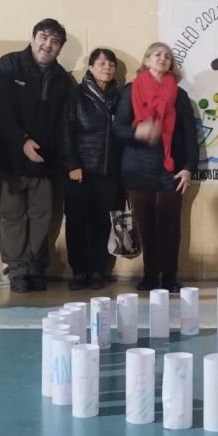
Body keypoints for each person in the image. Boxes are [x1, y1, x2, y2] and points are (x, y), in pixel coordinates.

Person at [0, 19, 74, 293]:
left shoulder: (63, 79)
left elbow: (65, 124)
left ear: (60, 48)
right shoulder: (8, 66)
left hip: (45, 165)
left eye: (55, 41)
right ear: (33, 37)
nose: (48, 44)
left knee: (42, 216)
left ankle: (36, 267)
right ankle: (17, 270)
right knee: (11, 215)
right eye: (44, 37)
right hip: (9, 162)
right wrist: (22, 141)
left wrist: (64, 161)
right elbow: (0, 112)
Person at [113, 42, 197, 294]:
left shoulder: (179, 95)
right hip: (138, 168)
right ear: (147, 60)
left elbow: (191, 135)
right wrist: (139, 131)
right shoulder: (130, 90)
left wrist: (189, 167)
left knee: (170, 225)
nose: (163, 58)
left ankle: (170, 276)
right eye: (157, 54)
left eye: (167, 56)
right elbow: (118, 129)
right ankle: (150, 275)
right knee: (145, 225)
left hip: (170, 169)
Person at [60, 48, 122, 291]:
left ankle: (97, 271)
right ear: (90, 67)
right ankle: (79, 272)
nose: (107, 68)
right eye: (102, 63)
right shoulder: (76, 95)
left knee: (101, 223)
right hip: (80, 172)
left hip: (108, 172)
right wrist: (73, 164)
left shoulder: (119, 96)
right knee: (76, 223)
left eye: (111, 64)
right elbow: (66, 132)